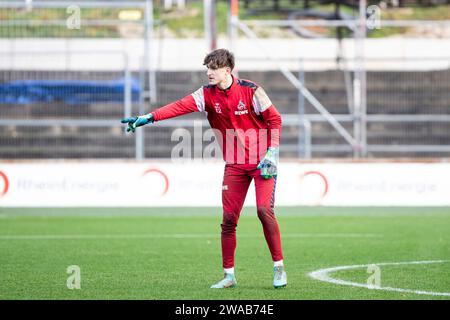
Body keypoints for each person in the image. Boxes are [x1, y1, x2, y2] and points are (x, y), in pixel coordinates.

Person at [121, 48, 287, 289]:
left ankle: (279, 267)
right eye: (207, 68)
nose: (208, 73)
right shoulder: (206, 94)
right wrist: (148, 117)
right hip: (235, 164)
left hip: (263, 161)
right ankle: (229, 276)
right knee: (229, 219)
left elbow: (275, 119)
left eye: (213, 68)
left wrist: (272, 153)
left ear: (227, 70)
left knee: (263, 210)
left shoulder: (252, 91)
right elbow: (178, 106)